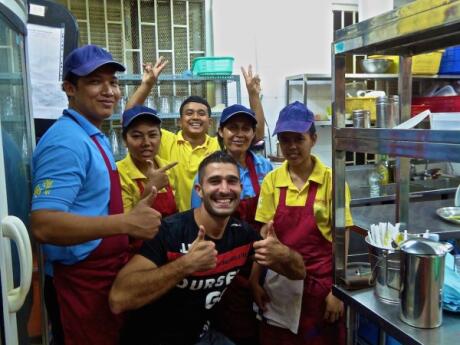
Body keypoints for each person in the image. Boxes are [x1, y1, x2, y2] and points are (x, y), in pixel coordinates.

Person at [31, 44, 162, 345]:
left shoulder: (92, 134)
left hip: (105, 276)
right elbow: (44, 224)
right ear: (69, 88)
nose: (109, 91)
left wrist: (146, 196)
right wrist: (126, 223)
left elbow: (94, 208)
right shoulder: (65, 142)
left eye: (113, 82)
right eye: (94, 81)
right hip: (80, 282)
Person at [109, 151, 305, 345]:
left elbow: (298, 273)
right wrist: (185, 265)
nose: (224, 189)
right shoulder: (170, 231)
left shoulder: (241, 234)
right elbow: (118, 299)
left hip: (203, 336)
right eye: (214, 181)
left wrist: (285, 254)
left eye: (232, 181)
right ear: (199, 190)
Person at [251, 101, 354, 345]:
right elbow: (264, 236)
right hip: (281, 284)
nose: (292, 146)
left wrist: (337, 291)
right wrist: (255, 281)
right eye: (285, 140)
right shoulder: (272, 181)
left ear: (313, 139)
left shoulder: (332, 181)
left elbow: (343, 238)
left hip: (321, 286)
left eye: (299, 139)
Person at [126, 61, 265, 211]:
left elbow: (256, 135)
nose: (195, 117)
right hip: (176, 221)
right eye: (189, 113)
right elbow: (130, 119)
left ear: (210, 122)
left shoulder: (218, 145)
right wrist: (147, 85)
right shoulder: (165, 140)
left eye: (201, 113)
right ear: (180, 121)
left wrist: (253, 95)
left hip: (209, 218)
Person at [190, 104, 272, 344]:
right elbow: (199, 222)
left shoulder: (264, 167)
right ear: (221, 132)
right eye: (232, 128)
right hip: (224, 264)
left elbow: (270, 217)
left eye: (246, 128)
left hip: (258, 260)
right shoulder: (208, 170)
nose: (239, 134)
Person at [117, 105, 178, 217]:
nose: (146, 142)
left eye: (152, 135)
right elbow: (125, 224)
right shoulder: (118, 173)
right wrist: (151, 189)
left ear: (161, 137)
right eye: (137, 136)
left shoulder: (168, 168)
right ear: (125, 140)